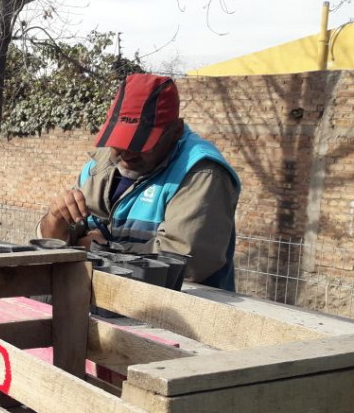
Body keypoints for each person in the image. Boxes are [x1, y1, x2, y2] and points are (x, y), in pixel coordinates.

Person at [37, 73, 241, 290]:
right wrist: (54, 221)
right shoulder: (101, 164)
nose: (127, 153)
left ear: (175, 131)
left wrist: (102, 250)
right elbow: (66, 238)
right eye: (120, 140)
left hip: (174, 314)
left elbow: (185, 264)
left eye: (142, 142)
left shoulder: (202, 174)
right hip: (106, 303)